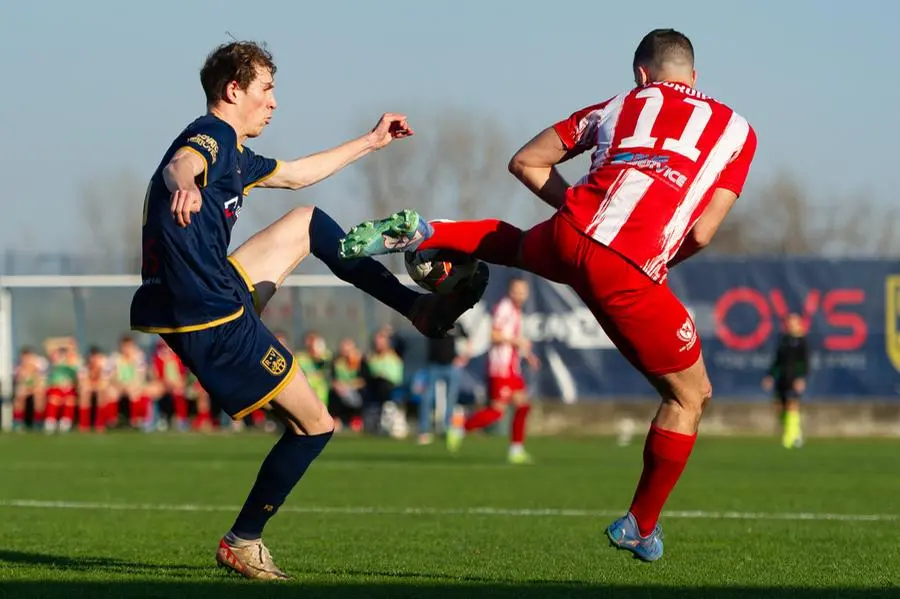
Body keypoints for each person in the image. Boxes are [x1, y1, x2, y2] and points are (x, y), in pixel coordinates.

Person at [339, 29, 757, 562]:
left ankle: (427, 230)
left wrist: (580, 216)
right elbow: (700, 234)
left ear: (642, 76)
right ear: (694, 78)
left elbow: (526, 162)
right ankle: (641, 524)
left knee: (512, 244)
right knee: (689, 396)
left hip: (573, 231)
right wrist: (647, 256)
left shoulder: (621, 104)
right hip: (628, 264)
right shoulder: (738, 131)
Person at [129, 40, 487, 580]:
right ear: (234, 90)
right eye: (266, 90)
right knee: (316, 425)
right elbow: (183, 164)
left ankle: (416, 308)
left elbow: (296, 174)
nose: (273, 103)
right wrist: (183, 186)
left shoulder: (235, 150)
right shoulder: (210, 137)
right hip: (210, 313)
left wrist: (371, 142)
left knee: (307, 221)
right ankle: (242, 541)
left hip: (203, 287)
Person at [446, 277, 539, 464]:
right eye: (517, 291)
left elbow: (512, 337)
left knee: (523, 406)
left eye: (523, 292)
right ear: (510, 292)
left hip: (512, 369)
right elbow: (494, 335)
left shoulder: (516, 311)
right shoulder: (504, 308)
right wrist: (517, 342)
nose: (520, 295)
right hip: (500, 368)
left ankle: (516, 449)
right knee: (497, 412)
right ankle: (459, 428)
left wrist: (527, 354)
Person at [761, 313, 809, 448]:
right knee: (779, 407)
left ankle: (789, 437)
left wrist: (800, 378)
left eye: (794, 322)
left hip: (793, 378)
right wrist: (770, 376)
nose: (791, 325)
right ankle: (796, 433)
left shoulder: (802, 341)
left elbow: (804, 362)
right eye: (789, 322)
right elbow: (777, 360)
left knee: (792, 404)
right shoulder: (784, 340)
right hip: (782, 378)